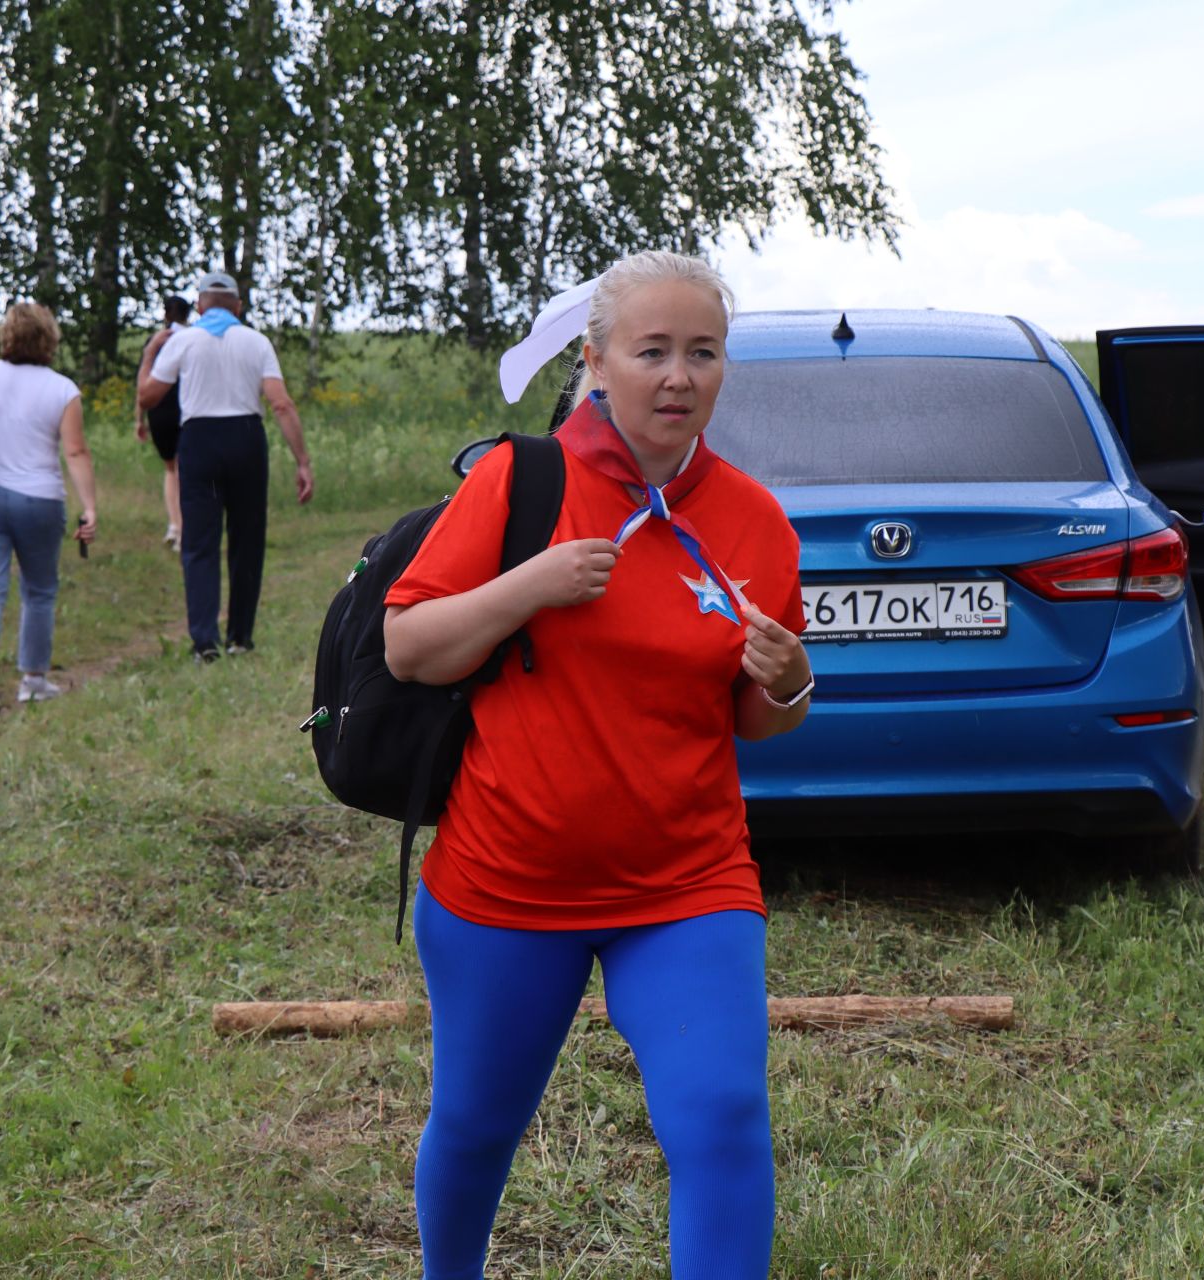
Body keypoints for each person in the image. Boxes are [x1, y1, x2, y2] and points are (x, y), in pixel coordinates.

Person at [382, 251, 815, 1278]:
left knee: (721, 1117)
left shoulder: (753, 519)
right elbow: (409, 646)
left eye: (702, 352)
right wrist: (528, 583)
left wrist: (790, 678)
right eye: (652, 350)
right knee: (480, 1124)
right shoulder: (519, 482)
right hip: (506, 882)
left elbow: (759, 721)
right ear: (597, 360)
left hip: (686, 883)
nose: (679, 376)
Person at [135, 270, 314, 661]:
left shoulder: (184, 340)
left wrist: (150, 354)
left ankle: (204, 641)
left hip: (199, 440)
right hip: (245, 438)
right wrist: (302, 461)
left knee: (199, 542)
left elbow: (148, 397)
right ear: (239, 306)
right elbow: (281, 404)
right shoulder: (256, 341)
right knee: (247, 540)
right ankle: (239, 637)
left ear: (199, 305)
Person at [0, 302, 98, 713]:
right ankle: (33, 680)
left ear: (6, 335)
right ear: (49, 339)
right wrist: (90, 507)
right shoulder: (63, 389)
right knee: (40, 590)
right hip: (40, 500)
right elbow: (76, 451)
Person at [134, 294, 193, 550]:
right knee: (185, 470)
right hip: (187, 410)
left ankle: (175, 525)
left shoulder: (155, 342)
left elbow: (143, 382)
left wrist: (139, 418)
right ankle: (183, 530)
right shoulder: (193, 339)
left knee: (171, 470)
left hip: (159, 411)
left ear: (165, 314)